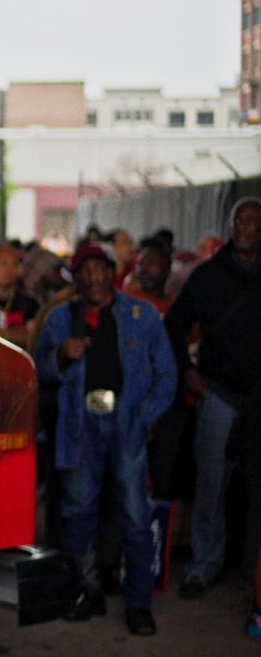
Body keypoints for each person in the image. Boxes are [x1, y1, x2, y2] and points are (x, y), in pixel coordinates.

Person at [35, 243, 177, 634]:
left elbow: (167, 375)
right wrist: (62, 355)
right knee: (77, 513)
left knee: (134, 515)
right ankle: (87, 591)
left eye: (101, 271)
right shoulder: (61, 319)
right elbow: (39, 368)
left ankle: (138, 604)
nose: (94, 279)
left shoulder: (142, 316)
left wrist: (143, 417)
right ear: (76, 279)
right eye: (86, 272)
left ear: (112, 274)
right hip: (80, 428)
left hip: (126, 426)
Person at [164, 197, 261, 599]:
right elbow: (173, 326)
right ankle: (204, 564)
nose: (243, 226)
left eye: (252, 220)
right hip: (219, 393)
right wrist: (189, 373)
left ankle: (252, 572)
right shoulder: (208, 276)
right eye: (238, 219)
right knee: (212, 484)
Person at [128, 237, 173, 312]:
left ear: (168, 270)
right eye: (140, 265)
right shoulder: (127, 300)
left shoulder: (176, 308)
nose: (142, 271)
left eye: (151, 264)